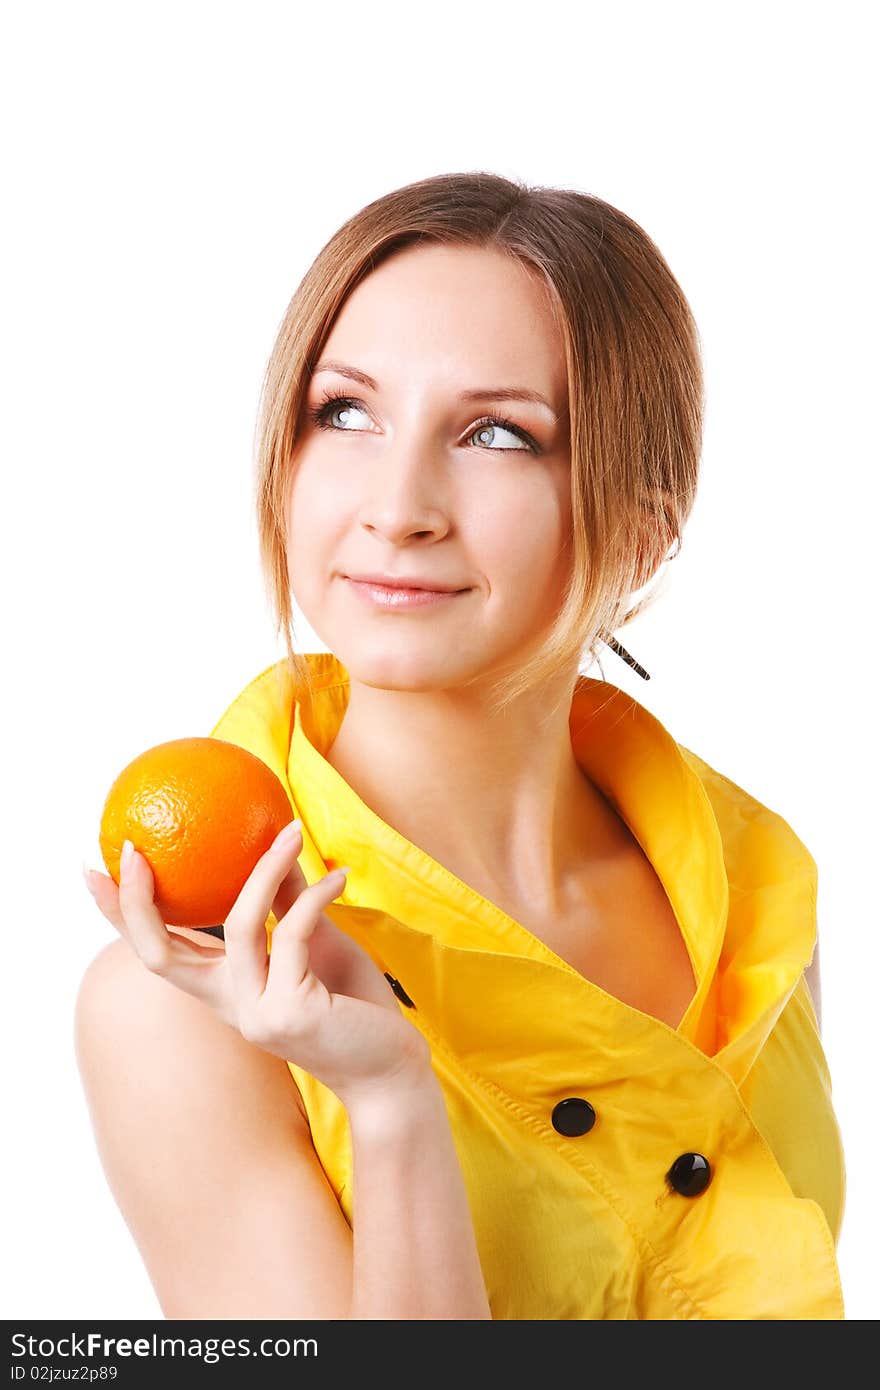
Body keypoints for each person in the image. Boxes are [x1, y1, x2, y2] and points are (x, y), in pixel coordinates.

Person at [75, 171, 846, 1320]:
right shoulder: (191, 999)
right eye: (344, 412)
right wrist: (388, 1101)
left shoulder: (749, 905)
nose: (397, 505)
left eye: (495, 433)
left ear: (642, 523)